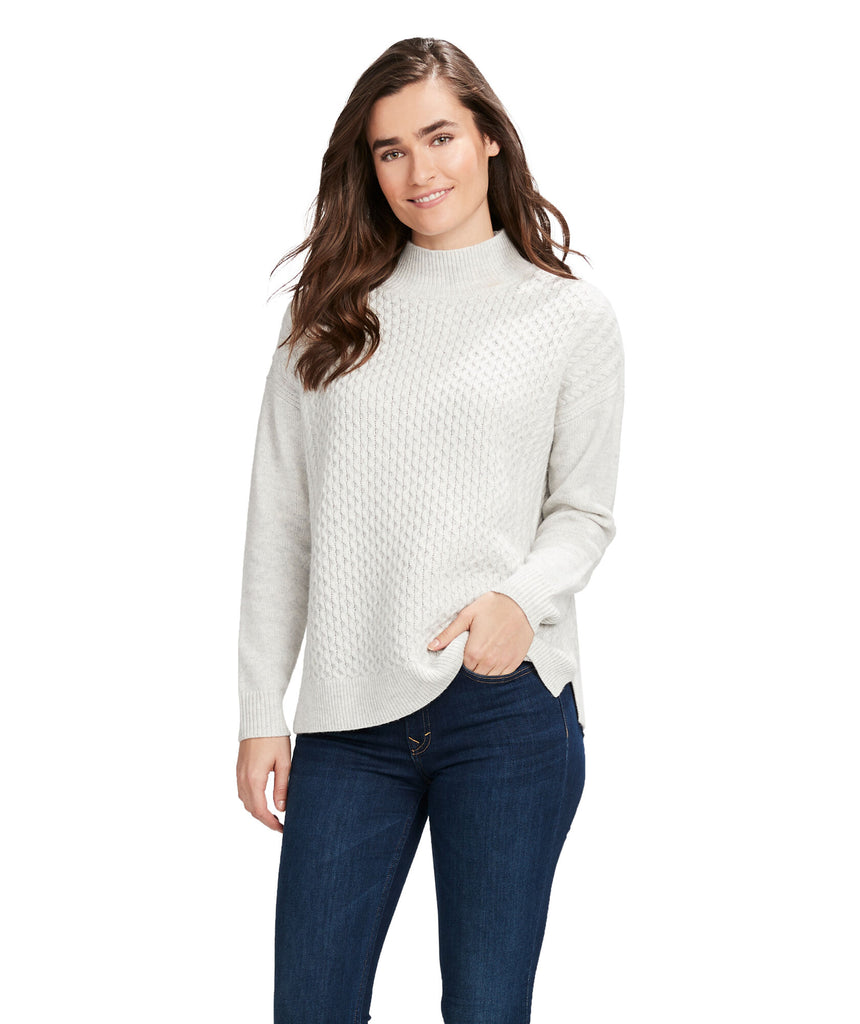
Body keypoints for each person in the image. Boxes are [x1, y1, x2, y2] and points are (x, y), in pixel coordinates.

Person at [235, 36, 625, 1024]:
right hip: (345, 721)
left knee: (485, 1009)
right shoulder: (327, 317)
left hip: (504, 709)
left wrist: (518, 600)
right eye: (390, 150)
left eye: (440, 136)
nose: (419, 171)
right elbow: (281, 522)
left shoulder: (567, 316)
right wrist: (260, 709)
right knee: (310, 1008)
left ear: (488, 136)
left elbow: (582, 513)